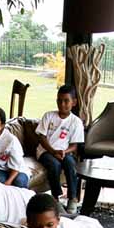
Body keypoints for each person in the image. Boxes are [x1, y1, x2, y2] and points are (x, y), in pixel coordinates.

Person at [37, 85, 86, 213]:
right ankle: (55, 198)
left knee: (70, 164)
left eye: (66, 101)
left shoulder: (76, 122)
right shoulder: (48, 116)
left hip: (64, 152)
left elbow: (74, 146)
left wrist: (64, 152)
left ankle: (72, 198)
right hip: (46, 151)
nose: (62, 104)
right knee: (54, 165)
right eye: (59, 100)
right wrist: (53, 151)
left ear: (74, 102)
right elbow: (42, 138)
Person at [23, 193, 104, 228]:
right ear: (29, 224)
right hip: (74, 221)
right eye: (37, 227)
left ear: (58, 220)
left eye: (50, 225)